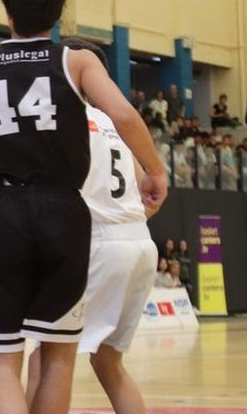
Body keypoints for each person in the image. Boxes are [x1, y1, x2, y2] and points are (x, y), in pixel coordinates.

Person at [0, 0, 168, 414]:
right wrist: (156, 170)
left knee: (3, 365)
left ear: (6, 11)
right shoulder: (78, 60)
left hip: (2, 208)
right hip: (62, 213)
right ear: (59, 13)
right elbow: (123, 116)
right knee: (58, 359)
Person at [25, 39, 159, 414]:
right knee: (108, 362)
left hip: (97, 242)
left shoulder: (58, 119)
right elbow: (145, 196)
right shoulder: (112, 124)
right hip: (139, 242)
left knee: (45, 356)